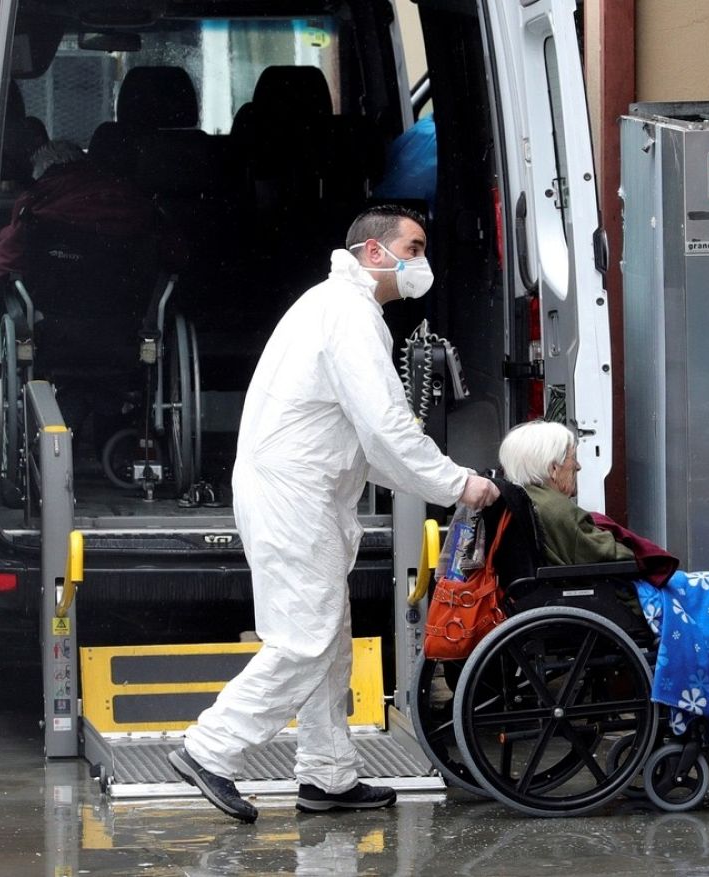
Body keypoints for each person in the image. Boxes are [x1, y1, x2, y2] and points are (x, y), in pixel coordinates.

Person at [168, 205, 500, 823]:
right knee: (306, 638)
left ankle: (328, 776)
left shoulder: (338, 308)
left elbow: (365, 441)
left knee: (328, 641)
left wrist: (438, 479)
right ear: (376, 254)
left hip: (303, 491)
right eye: (415, 247)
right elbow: (387, 429)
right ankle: (210, 748)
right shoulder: (348, 316)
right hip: (296, 495)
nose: (423, 261)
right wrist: (460, 485)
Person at [496, 421, 709, 749]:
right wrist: (632, 549)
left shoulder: (533, 501)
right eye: (572, 457)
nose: (578, 465)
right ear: (554, 467)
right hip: (609, 597)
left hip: (574, 594)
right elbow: (609, 555)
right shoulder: (556, 509)